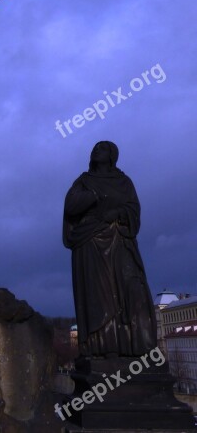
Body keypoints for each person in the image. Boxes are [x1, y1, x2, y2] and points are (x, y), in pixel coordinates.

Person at [63, 141, 156, 357]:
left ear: (112, 155)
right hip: (90, 242)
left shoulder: (124, 182)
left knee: (132, 287)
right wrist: (95, 196)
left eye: (103, 148)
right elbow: (70, 206)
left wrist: (117, 213)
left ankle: (136, 348)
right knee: (98, 296)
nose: (97, 150)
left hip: (118, 239)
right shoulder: (84, 181)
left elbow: (133, 209)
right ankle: (103, 349)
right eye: (95, 148)